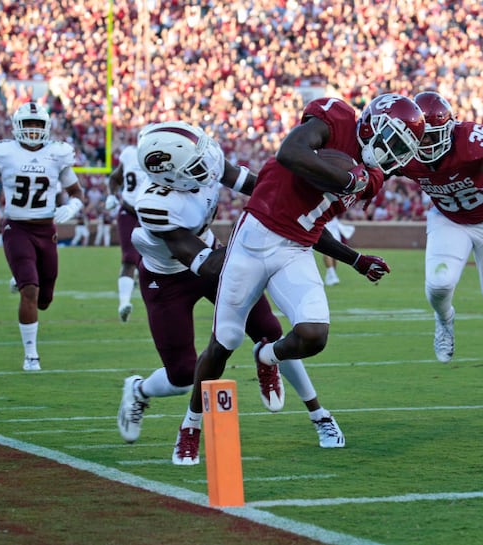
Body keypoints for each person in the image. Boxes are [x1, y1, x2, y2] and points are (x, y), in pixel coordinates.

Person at [172, 94, 425, 465]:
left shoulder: (372, 179)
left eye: (401, 149)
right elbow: (290, 152)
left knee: (314, 334)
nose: (392, 153)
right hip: (253, 239)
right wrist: (344, 177)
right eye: (392, 140)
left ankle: (266, 355)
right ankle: (191, 425)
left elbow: (312, 222)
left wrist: (354, 260)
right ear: (371, 124)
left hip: (295, 250)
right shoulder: (336, 119)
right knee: (223, 341)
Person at [116, 121, 347, 464]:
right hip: (170, 279)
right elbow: (206, 265)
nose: (207, 168)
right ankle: (139, 390)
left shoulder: (201, 163)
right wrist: (257, 241)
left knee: (270, 334)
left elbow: (266, 192)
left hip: (213, 253)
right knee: (182, 376)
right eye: (195, 166)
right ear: (168, 175)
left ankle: (319, 414)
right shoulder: (154, 205)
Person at [397, 91, 483, 408]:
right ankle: (445, 319)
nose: (425, 145)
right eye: (420, 137)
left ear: (450, 130)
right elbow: (372, 170)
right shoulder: (405, 151)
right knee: (439, 285)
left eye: (432, 137)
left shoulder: (471, 141)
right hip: (448, 220)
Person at [0, 102, 84, 371]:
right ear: (17, 127)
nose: (32, 130)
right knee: (30, 290)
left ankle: (20, 277)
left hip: (46, 230)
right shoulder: (4, 152)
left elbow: (77, 192)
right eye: (28, 124)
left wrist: (72, 206)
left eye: (37, 125)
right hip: (17, 228)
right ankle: (31, 355)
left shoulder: (58, 154)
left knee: (44, 300)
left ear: (46, 127)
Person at [105, 141, 150, 322]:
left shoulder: (163, 159)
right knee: (129, 258)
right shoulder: (130, 154)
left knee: (153, 260)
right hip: (129, 211)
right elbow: (115, 178)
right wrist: (111, 195)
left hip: (151, 214)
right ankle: (124, 303)